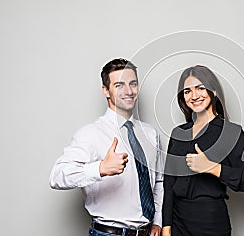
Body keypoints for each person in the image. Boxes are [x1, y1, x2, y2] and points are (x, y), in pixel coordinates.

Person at [50, 58, 163, 236]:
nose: (128, 91)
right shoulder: (90, 134)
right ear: (106, 90)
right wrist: (100, 168)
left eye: (133, 84)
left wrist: (157, 222)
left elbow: (158, 182)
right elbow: (57, 176)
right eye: (119, 85)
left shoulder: (150, 134)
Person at [162, 65, 244, 236]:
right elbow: (169, 184)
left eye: (200, 88)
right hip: (178, 223)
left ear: (213, 91)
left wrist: (212, 168)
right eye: (187, 91)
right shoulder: (178, 133)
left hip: (211, 222)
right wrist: (166, 226)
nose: (194, 96)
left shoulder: (231, 133)